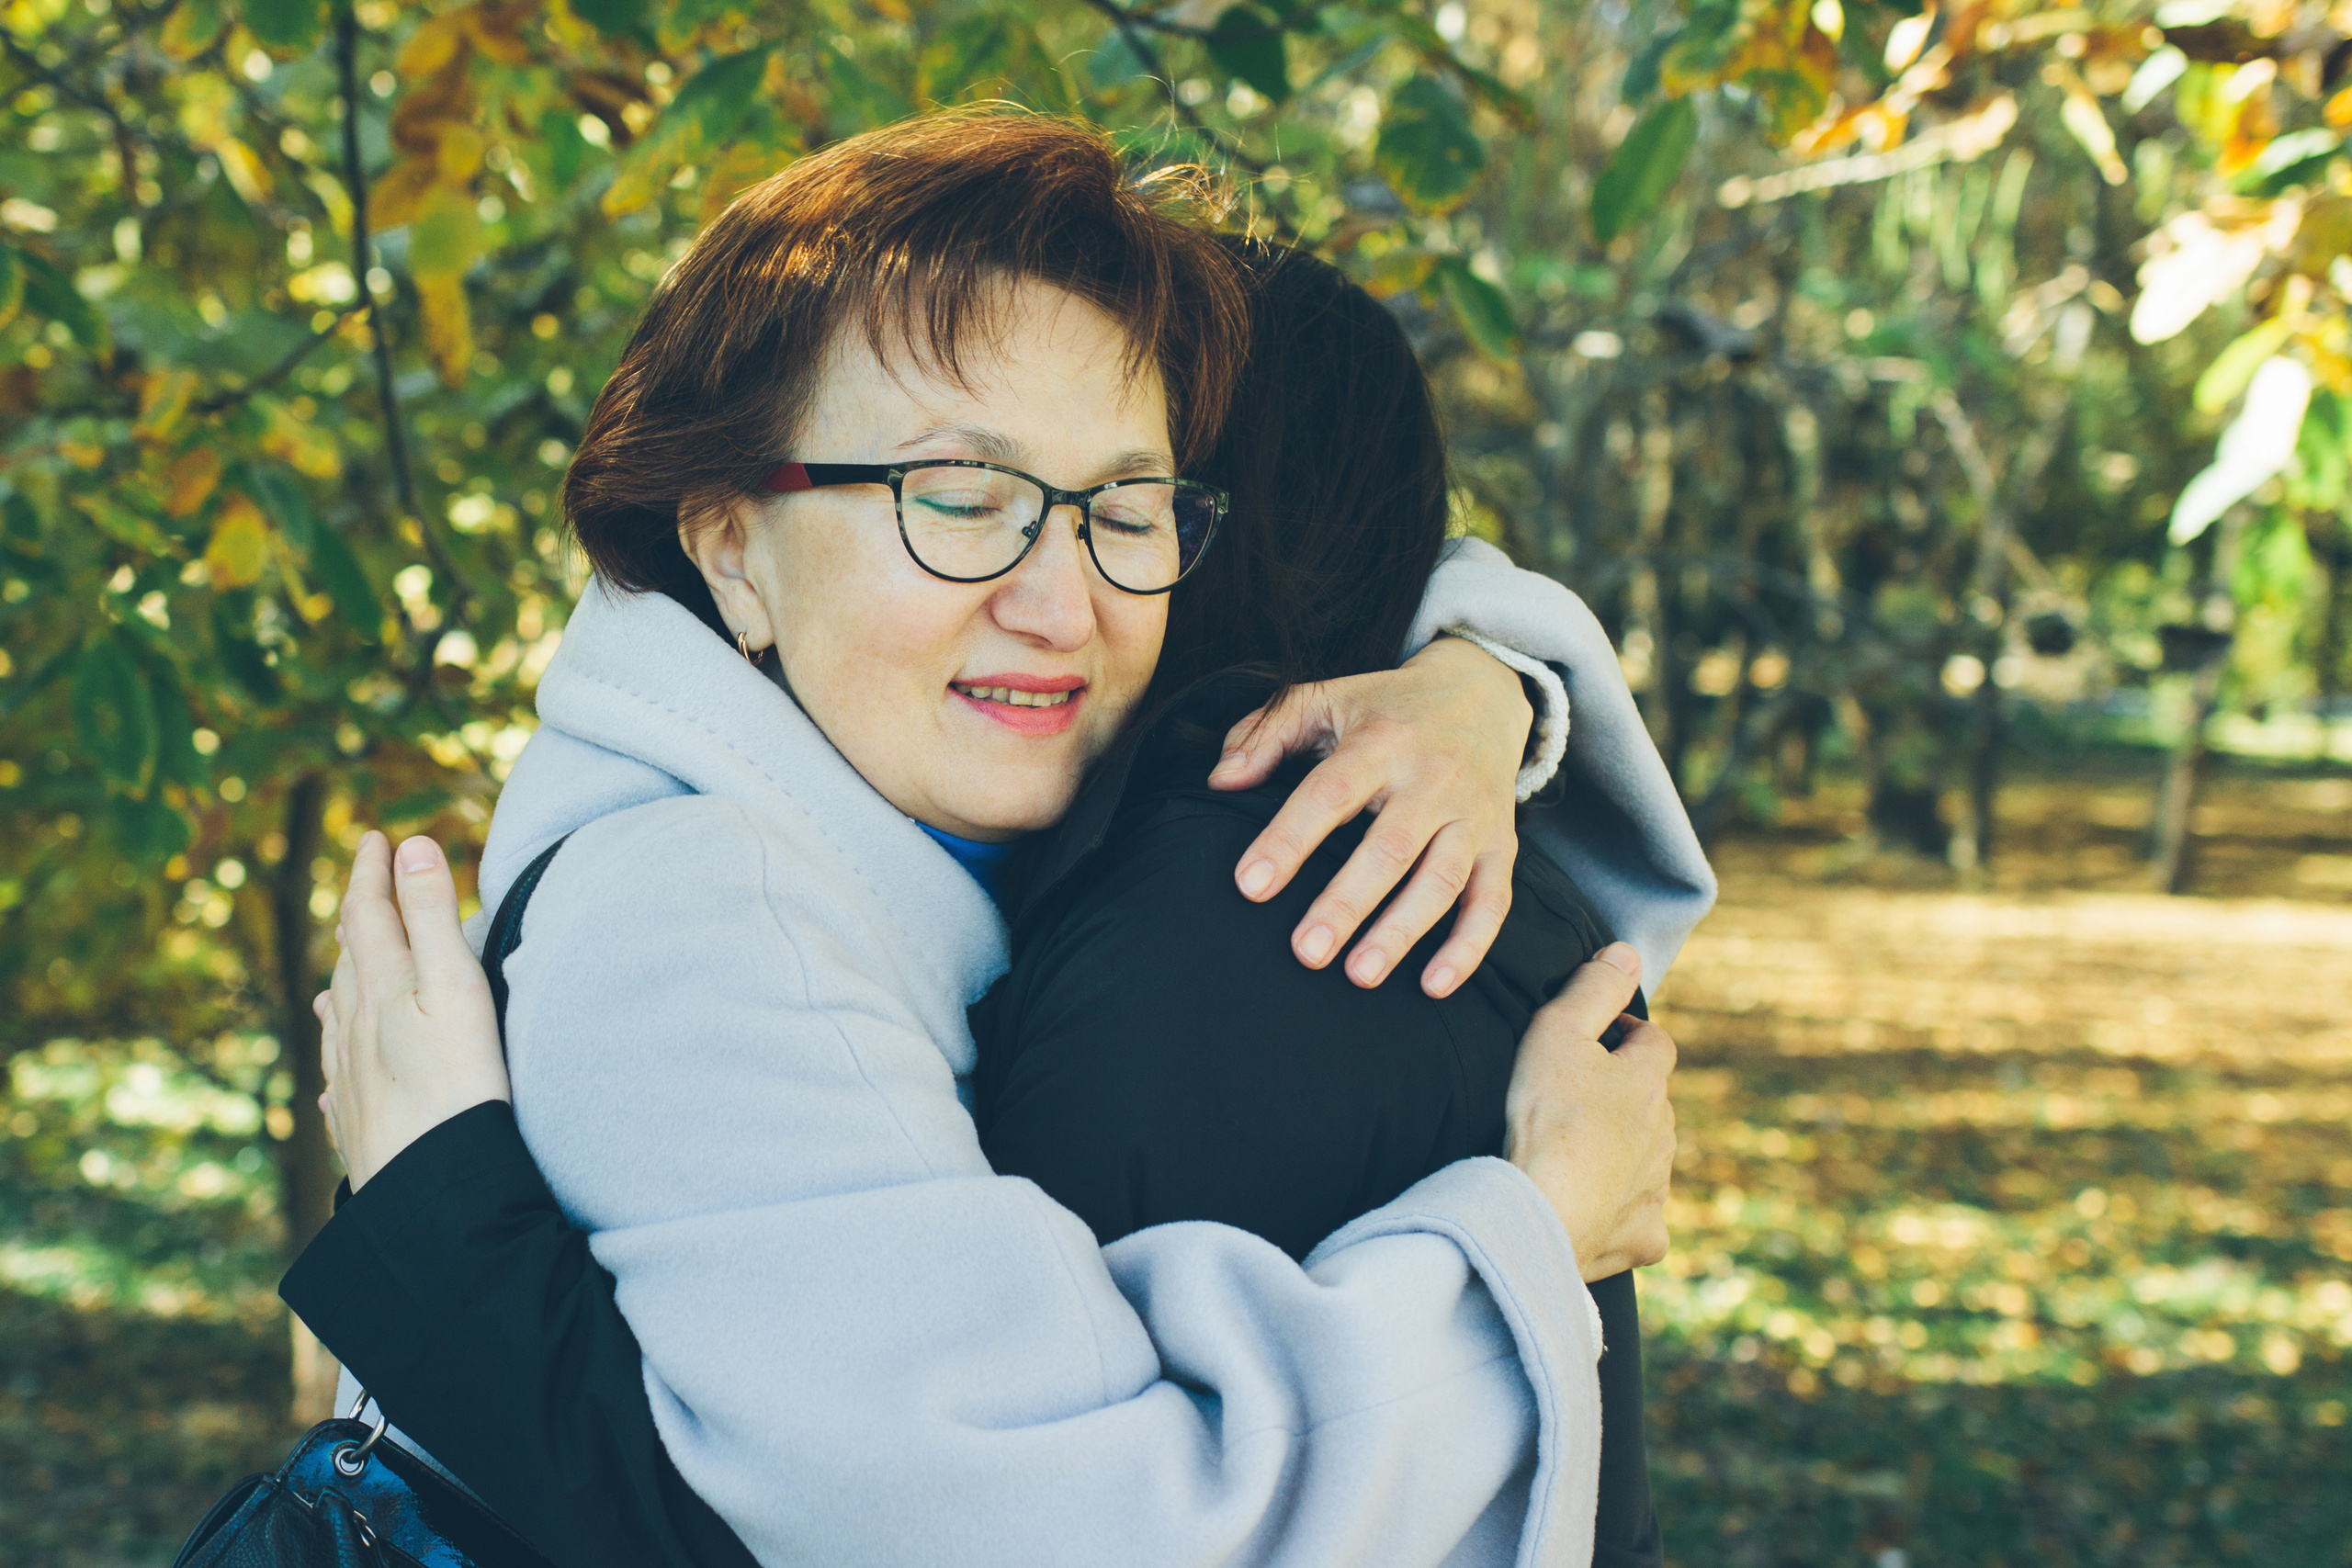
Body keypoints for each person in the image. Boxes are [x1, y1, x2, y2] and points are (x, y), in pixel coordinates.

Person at [289, 109, 1707, 1568]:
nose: (1058, 598)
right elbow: (1065, 1533)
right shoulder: (710, 915)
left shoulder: (890, 818)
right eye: (958, 498)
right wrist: (1527, 1245)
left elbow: (1339, 552)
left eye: (1126, 509)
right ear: (726, 543)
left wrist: (1474, 676)